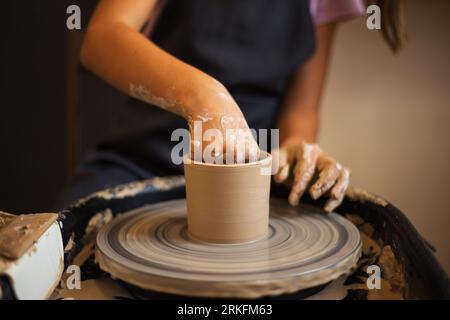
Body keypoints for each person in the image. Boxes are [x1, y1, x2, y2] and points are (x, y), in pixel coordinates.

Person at [58, 0, 405, 212]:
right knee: (50, 260)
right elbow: (102, 37)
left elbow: (302, 108)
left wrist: (295, 147)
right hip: (139, 161)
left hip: (251, 179)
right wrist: (205, 97)